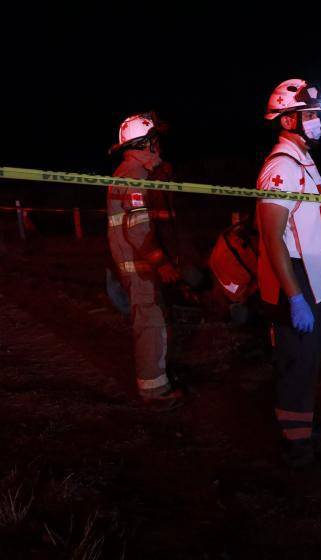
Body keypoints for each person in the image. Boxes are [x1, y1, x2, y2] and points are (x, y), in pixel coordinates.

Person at [255, 79, 321, 476]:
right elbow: (272, 239)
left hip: (312, 278)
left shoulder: (302, 159)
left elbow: (309, 226)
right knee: (296, 364)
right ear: (289, 119)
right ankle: (296, 450)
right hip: (295, 280)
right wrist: (295, 296)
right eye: (310, 115)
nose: (317, 123)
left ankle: (301, 428)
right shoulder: (280, 167)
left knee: (308, 362)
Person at [107, 111, 185, 411]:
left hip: (138, 265)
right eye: (156, 141)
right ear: (146, 144)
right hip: (139, 267)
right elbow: (138, 229)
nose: (160, 147)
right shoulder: (134, 176)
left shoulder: (133, 174)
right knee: (150, 324)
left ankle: (158, 376)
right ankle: (154, 392)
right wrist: (161, 262)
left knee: (153, 321)